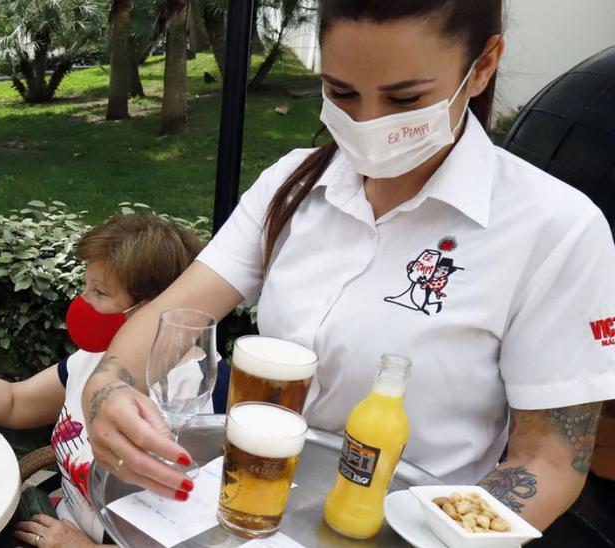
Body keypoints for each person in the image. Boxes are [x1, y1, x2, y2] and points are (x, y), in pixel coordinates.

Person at [81, 0, 615, 534]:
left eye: (405, 98)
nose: (366, 123)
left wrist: (454, 534)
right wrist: (108, 389)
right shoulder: (293, 187)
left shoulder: (553, 230)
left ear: (482, 66)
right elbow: (170, 320)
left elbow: (548, 458)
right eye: (341, 92)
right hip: (253, 510)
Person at [0, 214, 204, 548]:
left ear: (153, 307)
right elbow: (14, 401)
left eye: (99, 292)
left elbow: (203, 540)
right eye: (86, 286)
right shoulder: (101, 360)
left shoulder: (197, 400)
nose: (83, 302)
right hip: (50, 525)